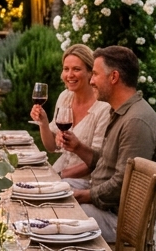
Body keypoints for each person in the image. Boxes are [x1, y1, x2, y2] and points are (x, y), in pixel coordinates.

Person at [58, 45, 156, 244]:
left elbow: (122, 183)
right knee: (52, 191)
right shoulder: (121, 112)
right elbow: (105, 161)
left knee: (58, 212)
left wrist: (83, 196)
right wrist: (78, 147)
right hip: (102, 203)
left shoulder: (136, 122)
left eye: (95, 74)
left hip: (118, 219)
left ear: (114, 77)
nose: (91, 81)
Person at [29, 43, 111, 189]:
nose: (69, 75)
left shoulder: (103, 108)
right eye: (66, 69)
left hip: (85, 183)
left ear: (90, 72)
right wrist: (43, 122)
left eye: (76, 69)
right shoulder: (65, 97)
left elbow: (97, 161)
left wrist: (59, 176)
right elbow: (52, 147)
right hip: (60, 175)